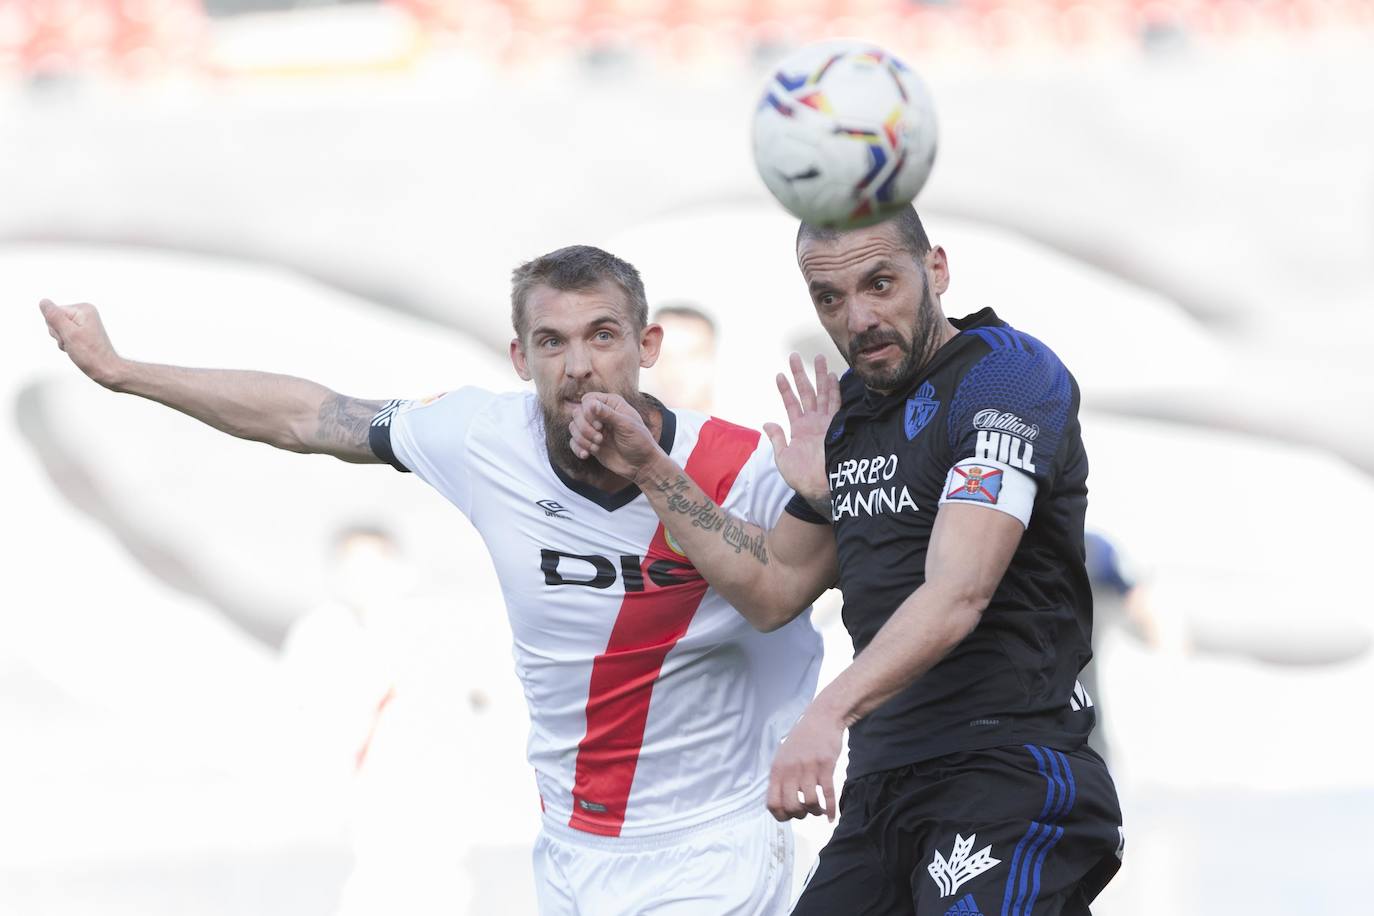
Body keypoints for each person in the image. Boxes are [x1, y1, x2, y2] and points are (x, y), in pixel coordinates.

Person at [37, 244, 823, 916]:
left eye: (603, 336)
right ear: (520, 358)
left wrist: (658, 472)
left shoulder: (744, 465)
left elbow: (788, 592)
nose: (579, 366)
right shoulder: (484, 436)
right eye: (551, 342)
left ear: (646, 346)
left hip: (712, 843)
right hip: (574, 848)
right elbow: (311, 417)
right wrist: (123, 372)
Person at [569, 207, 1124, 915]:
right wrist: (651, 469)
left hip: (1006, 769)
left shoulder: (1005, 378)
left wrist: (826, 714)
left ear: (938, 270)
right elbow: (773, 588)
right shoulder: (849, 414)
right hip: (885, 786)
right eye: (830, 298)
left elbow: (959, 590)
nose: (858, 317)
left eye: (881, 283)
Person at [645, 302, 718, 413]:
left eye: (691, 356)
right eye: (664, 356)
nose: (674, 370)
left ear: (712, 357)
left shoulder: (743, 427)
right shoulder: (626, 425)